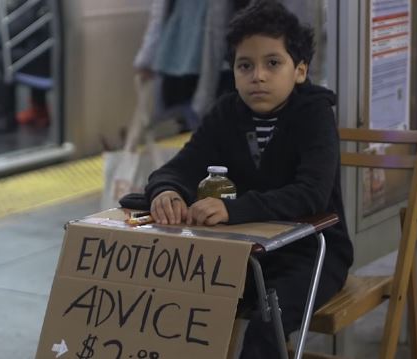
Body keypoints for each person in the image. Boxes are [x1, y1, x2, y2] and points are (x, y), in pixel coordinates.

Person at [143, 1, 353, 357]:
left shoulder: (315, 115)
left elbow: (311, 194)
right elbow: (178, 168)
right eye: (245, 65)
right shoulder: (227, 113)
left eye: (273, 63)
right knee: (172, 301)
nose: (258, 76)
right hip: (246, 255)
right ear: (234, 71)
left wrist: (232, 209)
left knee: (266, 324)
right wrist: (166, 191)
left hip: (311, 255)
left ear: (299, 70)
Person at [134, 0, 251, 131]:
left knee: (228, 131)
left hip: (222, 63)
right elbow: (159, 10)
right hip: (177, 56)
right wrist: (147, 56)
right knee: (185, 133)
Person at [0, 0, 51, 133]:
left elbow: (19, 24)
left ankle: (1, 118)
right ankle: (39, 110)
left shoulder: (32, 3)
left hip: (41, 59)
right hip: (45, 54)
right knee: (5, 57)